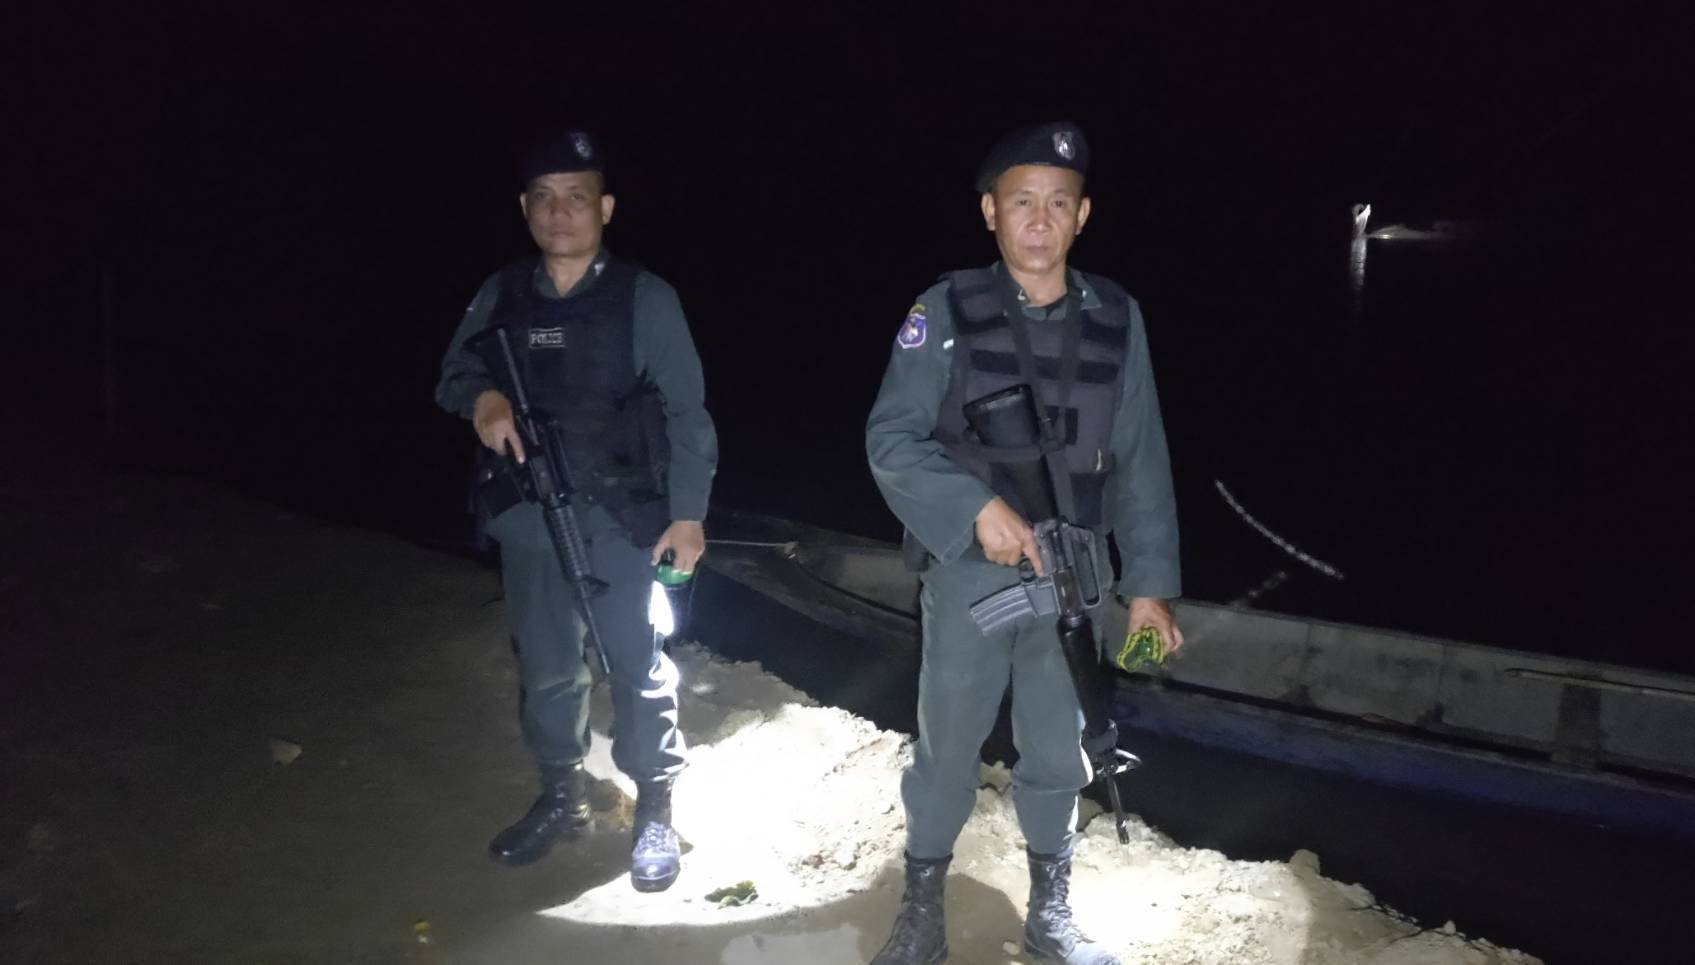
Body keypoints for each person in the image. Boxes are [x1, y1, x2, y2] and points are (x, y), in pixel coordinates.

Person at [864, 122, 1183, 964]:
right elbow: (891, 439)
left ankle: (1050, 910)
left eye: (1057, 204)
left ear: (1082, 216)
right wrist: (976, 508)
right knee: (946, 748)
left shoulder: (1117, 316)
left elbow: (1141, 457)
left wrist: (1149, 586)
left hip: (1075, 573)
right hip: (973, 574)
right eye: (1021, 203)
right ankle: (921, 909)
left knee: (1056, 748)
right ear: (989, 211)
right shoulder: (944, 309)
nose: (1039, 221)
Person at [435, 128, 718, 893]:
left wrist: (687, 515)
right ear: (525, 207)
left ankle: (654, 802)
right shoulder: (501, 292)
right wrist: (482, 397)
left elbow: (688, 413)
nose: (559, 212)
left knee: (637, 661)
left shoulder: (644, 297)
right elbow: (453, 372)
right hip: (531, 515)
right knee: (547, 664)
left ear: (606, 208)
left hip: (626, 518)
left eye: (577, 197)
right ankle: (561, 792)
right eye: (544, 198)